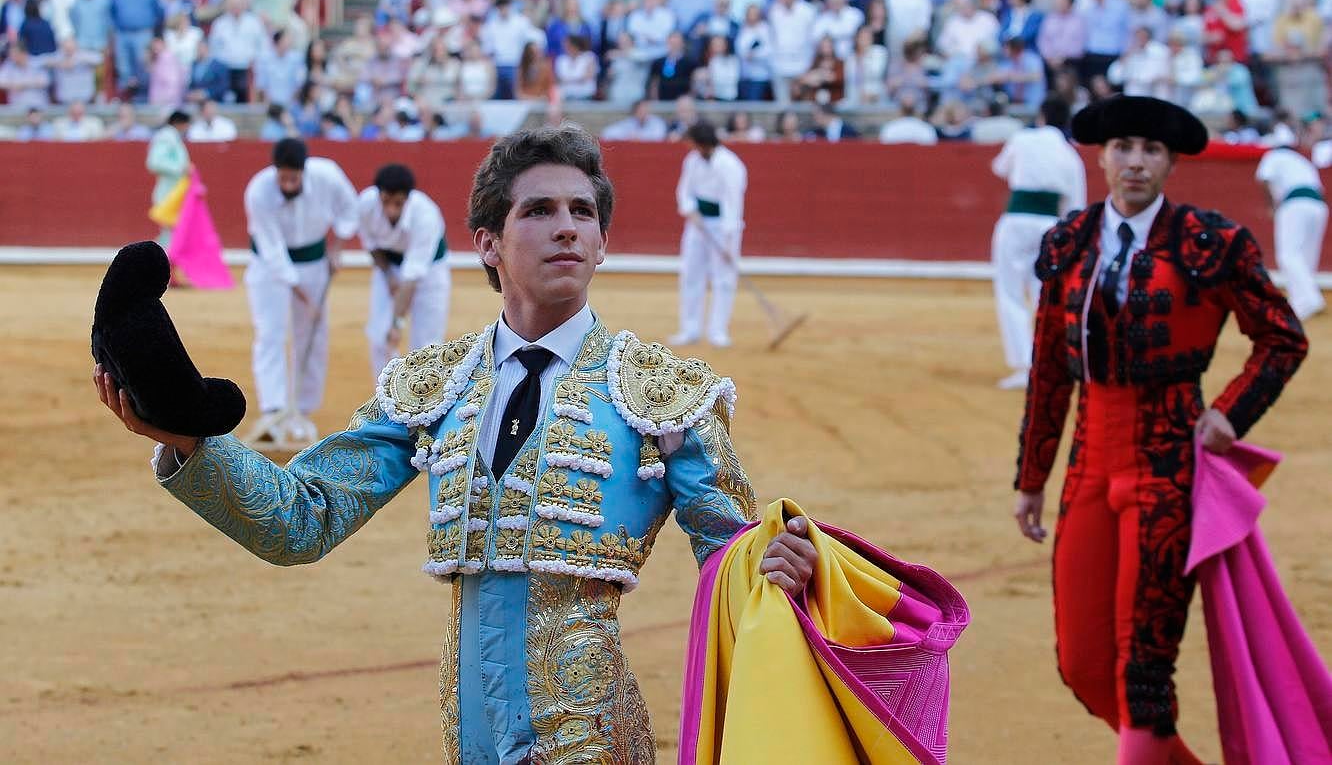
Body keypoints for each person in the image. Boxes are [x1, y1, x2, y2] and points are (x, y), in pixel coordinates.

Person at [93, 123, 818, 762]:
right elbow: (301, 519)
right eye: (538, 210)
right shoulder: (433, 386)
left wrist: (777, 563)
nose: (565, 227)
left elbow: (733, 564)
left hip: (593, 741)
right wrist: (191, 441)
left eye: (582, 213)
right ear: (488, 244)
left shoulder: (661, 393)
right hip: (466, 737)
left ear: (602, 243)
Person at [1012, 95, 1308, 765]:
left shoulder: (1211, 242)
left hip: (1169, 466)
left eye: (1150, 150)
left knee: (1144, 673)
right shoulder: (1069, 243)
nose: (1135, 162)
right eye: (1123, 148)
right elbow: (1049, 372)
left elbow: (1282, 338)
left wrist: (1231, 410)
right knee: (1085, 664)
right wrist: (1033, 480)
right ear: (1102, 155)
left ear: (1171, 162)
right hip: (1089, 464)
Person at [243, 138, 358, 445]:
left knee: (314, 334)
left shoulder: (327, 176)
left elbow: (350, 209)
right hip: (268, 267)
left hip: (316, 263)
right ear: (275, 170)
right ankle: (274, 409)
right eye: (283, 177)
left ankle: (301, 409)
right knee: (270, 332)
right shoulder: (258, 190)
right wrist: (304, 296)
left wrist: (338, 246)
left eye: (294, 177)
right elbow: (272, 249)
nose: (288, 183)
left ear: (304, 171)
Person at [990, 99, 1087, 390]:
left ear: (1041, 116)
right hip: (1049, 227)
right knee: (1044, 294)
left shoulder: (1023, 139)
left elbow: (999, 168)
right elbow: (1075, 207)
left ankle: (1023, 365)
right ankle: (1050, 362)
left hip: (1016, 221)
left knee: (1010, 292)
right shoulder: (1072, 157)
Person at [356, 163, 452, 377]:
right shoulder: (365, 204)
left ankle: (425, 407)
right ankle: (384, 402)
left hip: (430, 270)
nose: (391, 209)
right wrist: (388, 275)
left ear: (408, 199)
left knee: (427, 345)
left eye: (397, 203)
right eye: (386, 202)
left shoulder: (425, 215)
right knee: (379, 336)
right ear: (378, 195)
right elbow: (372, 246)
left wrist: (397, 324)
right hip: (388, 266)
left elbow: (411, 278)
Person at [671, 121, 748, 348]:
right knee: (691, 273)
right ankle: (690, 329)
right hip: (698, 224)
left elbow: (733, 205)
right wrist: (690, 210)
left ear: (701, 142)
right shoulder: (692, 160)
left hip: (724, 226)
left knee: (723, 279)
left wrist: (727, 242)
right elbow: (684, 191)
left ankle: (718, 331)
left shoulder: (730, 165)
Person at [1255, 144, 1328, 320]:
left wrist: (1272, 206)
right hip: (1319, 206)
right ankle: (1301, 302)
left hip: (1294, 203)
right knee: (1307, 256)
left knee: (1288, 254)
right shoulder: (1303, 162)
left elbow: (1264, 178)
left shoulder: (1273, 155)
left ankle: (1310, 300)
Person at [146, 110, 191, 247]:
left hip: (172, 192)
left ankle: (162, 261)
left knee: (171, 232)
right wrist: (180, 168)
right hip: (168, 193)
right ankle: (162, 262)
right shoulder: (167, 137)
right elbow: (154, 162)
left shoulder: (171, 136)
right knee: (170, 232)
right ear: (179, 123)